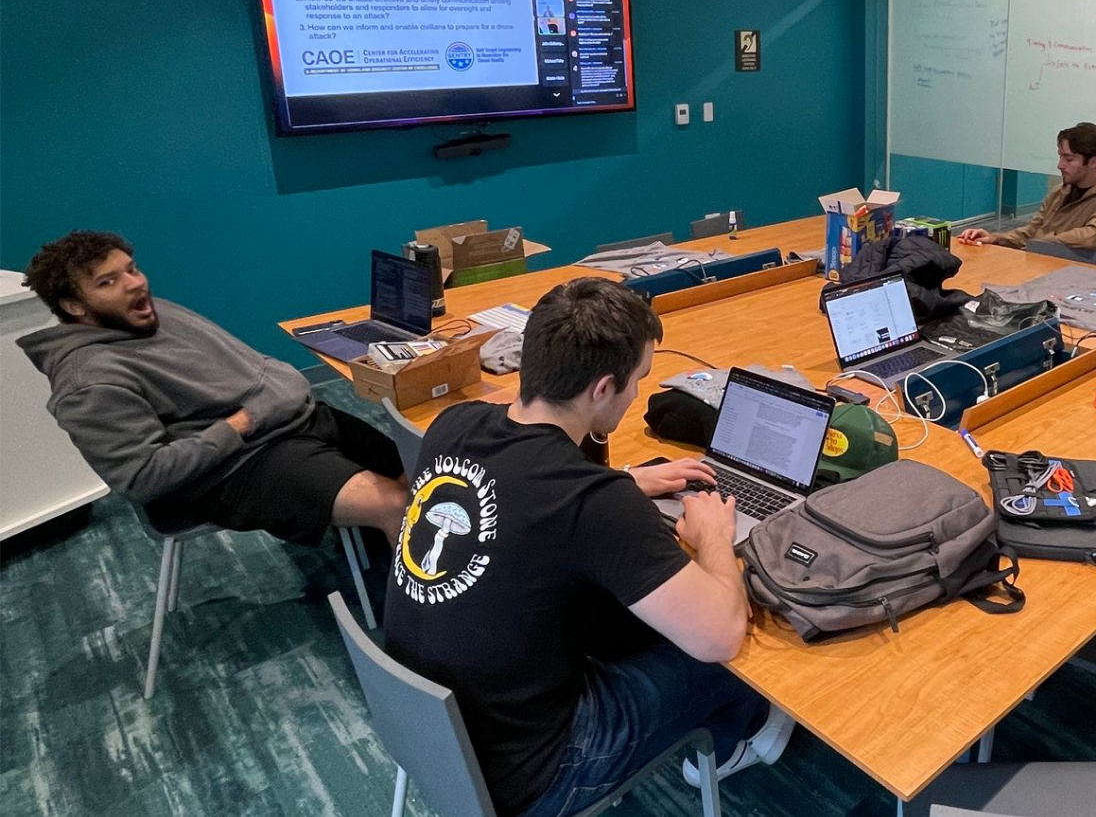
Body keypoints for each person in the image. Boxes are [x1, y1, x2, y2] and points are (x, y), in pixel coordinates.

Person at [381, 277, 790, 817]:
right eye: (637, 380)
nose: (639, 393)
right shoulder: (593, 504)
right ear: (602, 389)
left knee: (621, 613)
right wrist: (713, 538)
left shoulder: (453, 424)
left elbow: (530, 494)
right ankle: (746, 734)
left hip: (432, 729)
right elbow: (721, 636)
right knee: (728, 655)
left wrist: (625, 477)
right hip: (538, 774)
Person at [20, 230, 407, 544]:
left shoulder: (146, 314)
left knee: (419, 475)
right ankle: (418, 626)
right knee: (396, 503)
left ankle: (373, 547)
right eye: (109, 282)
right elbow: (142, 477)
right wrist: (244, 422)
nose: (135, 285)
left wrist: (272, 399)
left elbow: (246, 365)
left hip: (290, 421)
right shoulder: (87, 382)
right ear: (74, 307)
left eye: (132, 270)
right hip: (234, 467)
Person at [957, 122, 1096, 252]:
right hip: (1039, 261)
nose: (1060, 165)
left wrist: (1040, 243)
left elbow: (1092, 236)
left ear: (1094, 161)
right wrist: (995, 238)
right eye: (1060, 157)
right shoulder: (1061, 191)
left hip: (1067, 275)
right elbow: (1032, 231)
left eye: (1069, 159)